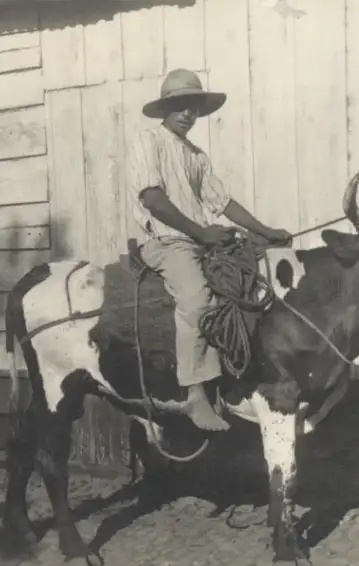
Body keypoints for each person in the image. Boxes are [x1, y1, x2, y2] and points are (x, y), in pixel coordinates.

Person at [126, 68, 293, 432]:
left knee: (246, 285)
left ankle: (238, 382)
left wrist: (265, 231)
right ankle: (195, 395)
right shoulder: (148, 141)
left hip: (196, 239)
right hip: (166, 242)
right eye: (180, 106)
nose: (188, 114)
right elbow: (153, 199)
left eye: (193, 107)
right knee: (198, 302)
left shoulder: (196, 156)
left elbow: (222, 201)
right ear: (164, 110)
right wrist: (201, 234)